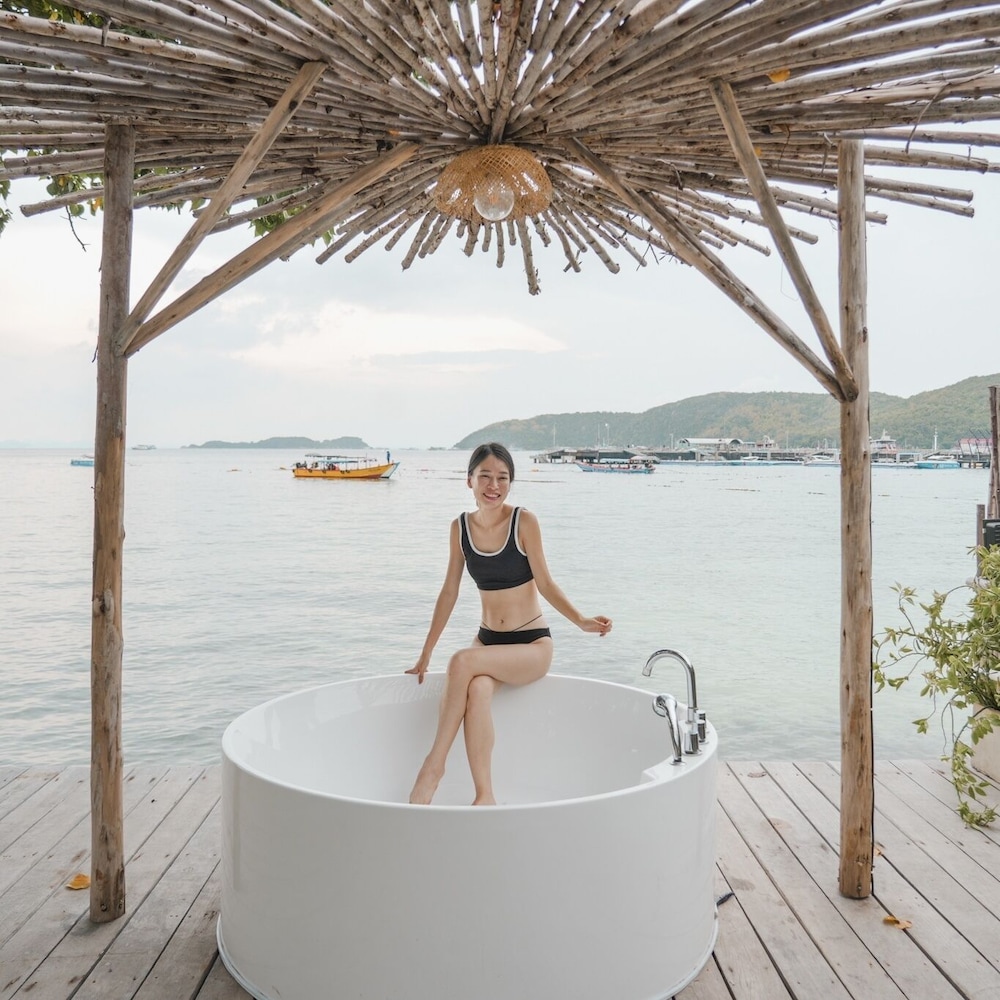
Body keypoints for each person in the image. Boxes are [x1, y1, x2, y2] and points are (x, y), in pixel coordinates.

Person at [406, 442, 612, 805]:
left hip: (531, 645)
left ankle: (433, 767)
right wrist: (425, 653)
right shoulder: (460, 528)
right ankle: (485, 796)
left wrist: (581, 621)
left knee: (461, 662)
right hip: (488, 642)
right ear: (469, 480)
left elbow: (545, 583)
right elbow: (449, 592)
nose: (494, 485)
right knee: (477, 690)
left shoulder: (524, 522)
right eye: (485, 476)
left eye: (503, 478)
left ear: (510, 483)